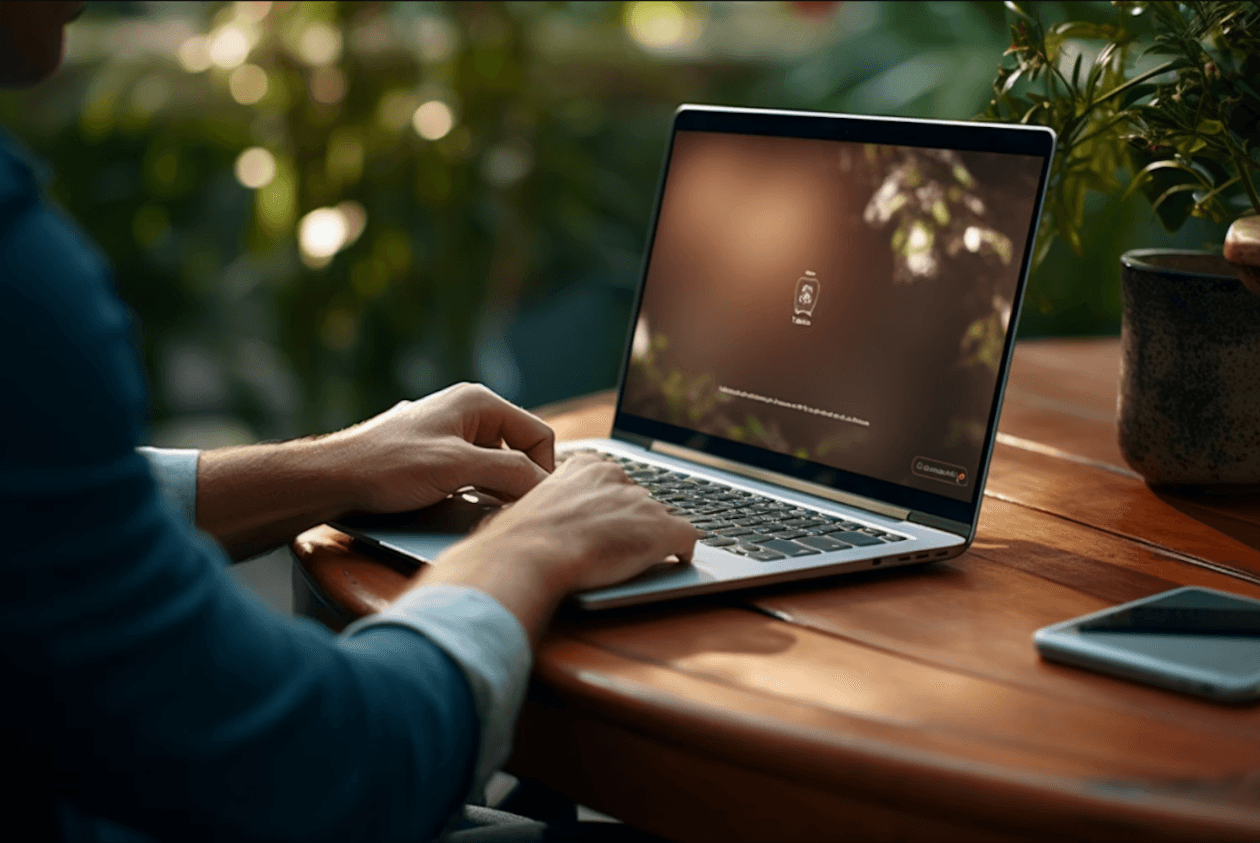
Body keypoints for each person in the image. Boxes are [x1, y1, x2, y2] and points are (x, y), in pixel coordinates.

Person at [0, 3, 700, 841]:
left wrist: (334, 465)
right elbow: (318, 770)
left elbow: (31, 515)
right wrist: (530, 547)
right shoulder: (19, 279)